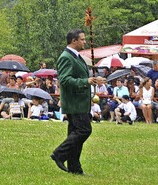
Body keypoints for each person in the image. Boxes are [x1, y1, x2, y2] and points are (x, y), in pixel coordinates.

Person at [51, 29, 99, 175]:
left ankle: (74, 168)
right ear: (74, 41)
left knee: (75, 132)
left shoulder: (76, 57)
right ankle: (59, 154)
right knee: (84, 130)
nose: (85, 42)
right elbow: (65, 80)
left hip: (79, 101)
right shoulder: (66, 57)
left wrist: (93, 80)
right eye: (82, 39)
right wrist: (85, 81)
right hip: (74, 102)